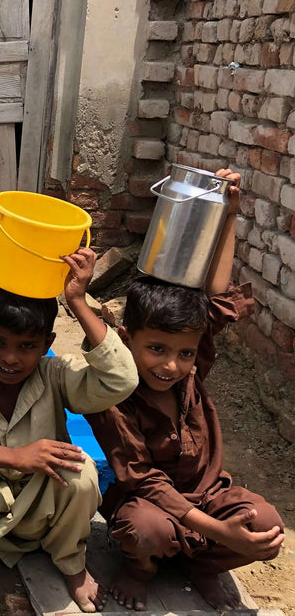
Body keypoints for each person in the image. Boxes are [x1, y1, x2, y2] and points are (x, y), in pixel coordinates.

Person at [85, 169, 284, 611]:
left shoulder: (191, 370)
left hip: (207, 494)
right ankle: (140, 570)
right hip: (146, 503)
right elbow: (147, 481)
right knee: (146, 531)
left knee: (264, 523)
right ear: (125, 337)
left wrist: (229, 213)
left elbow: (217, 298)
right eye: (156, 349)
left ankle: (203, 566)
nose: (172, 365)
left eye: (186, 353)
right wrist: (218, 532)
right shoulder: (114, 395)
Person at [0, 248, 139, 612]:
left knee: (81, 474)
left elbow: (121, 380)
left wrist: (78, 302)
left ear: (47, 345)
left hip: (42, 507)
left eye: (27, 347)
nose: (10, 358)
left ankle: (71, 563)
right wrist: (16, 457)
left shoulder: (56, 374)